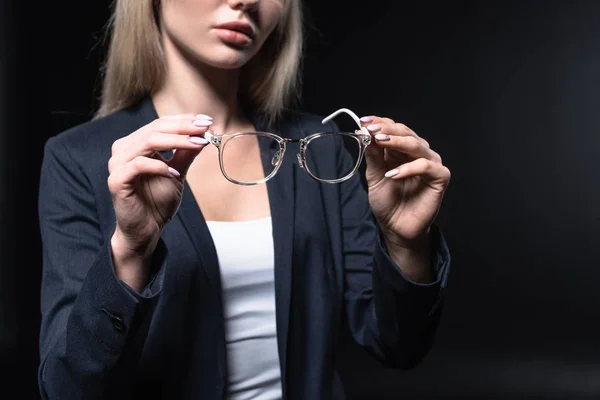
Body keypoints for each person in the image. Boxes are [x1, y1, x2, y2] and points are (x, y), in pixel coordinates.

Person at [37, 0, 452, 398]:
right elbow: (69, 387)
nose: (246, 1)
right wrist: (130, 252)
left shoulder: (317, 151)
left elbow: (399, 346)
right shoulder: (79, 159)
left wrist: (405, 243)